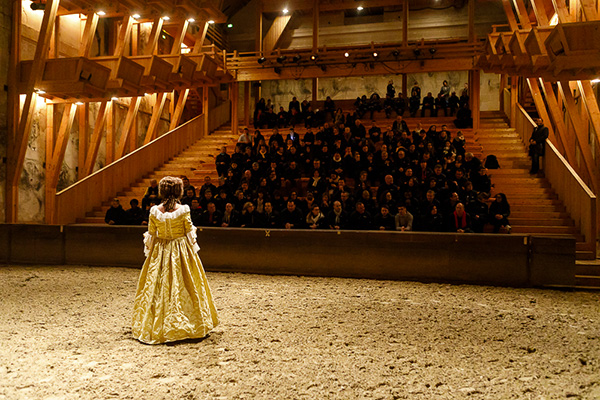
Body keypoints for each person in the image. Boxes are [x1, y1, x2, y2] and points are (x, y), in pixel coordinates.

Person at [132, 176, 218, 344]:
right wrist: (192, 250)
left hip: (161, 250)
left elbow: (151, 234)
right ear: (179, 191)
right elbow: (188, 231)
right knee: (187, 284)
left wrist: (151, 252)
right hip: (180, 250)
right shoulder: (184, 209)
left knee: (157, 286)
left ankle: (157, 323)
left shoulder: (154, 211)